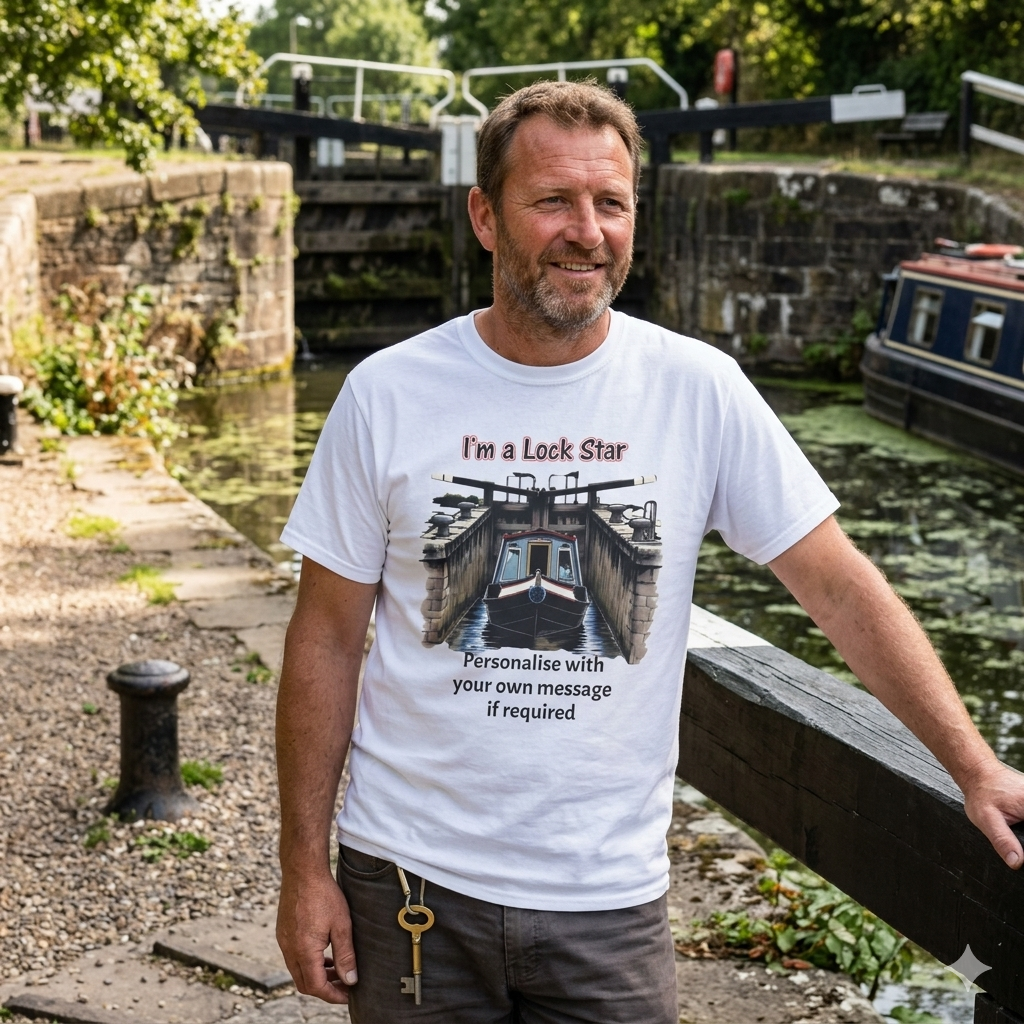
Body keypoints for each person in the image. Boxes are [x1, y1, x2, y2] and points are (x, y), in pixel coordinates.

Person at [274, 80, 1024, 1023]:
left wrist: (973, 765)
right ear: (484, 216)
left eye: (611, 203)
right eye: (551, 200)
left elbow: (836, 588)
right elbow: (326, 641)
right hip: (410, 883)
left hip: (609, 898)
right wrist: (304, 870)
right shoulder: (385, 395)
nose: (586, 230)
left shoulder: (699, 390)